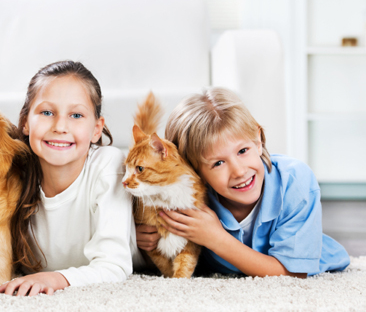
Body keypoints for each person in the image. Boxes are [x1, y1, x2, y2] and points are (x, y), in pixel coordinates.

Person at [136, 87, 350, 277]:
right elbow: (167, 251)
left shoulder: (294, 182)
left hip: (304, 262)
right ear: (194, 172)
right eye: (218, 163)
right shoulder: (189, 197)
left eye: (243, 151)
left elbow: (292, 273)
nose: (239, 171)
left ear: (257, 141)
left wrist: (216, 238)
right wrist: (143, 241)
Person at [0, 60, 139, 296]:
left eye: (76, 115)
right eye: (47, 112)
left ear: (96, 129)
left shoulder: (107, 164)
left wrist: (55, 278)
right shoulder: (12, 175)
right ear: (25, 123)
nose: (60, 126)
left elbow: (114, 266)